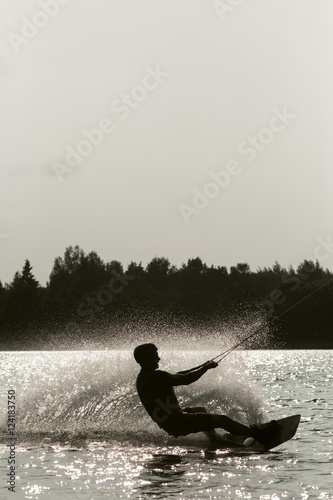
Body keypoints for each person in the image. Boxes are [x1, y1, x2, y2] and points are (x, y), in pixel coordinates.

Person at [134, 343, 276, 444]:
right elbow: (185, 379)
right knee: (222, 420)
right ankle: (259, 435)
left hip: (169, 422)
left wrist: (202, 366)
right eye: (155, 356)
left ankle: (215, 441)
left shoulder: (144, 377)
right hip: (178, 422)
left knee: (201, 410)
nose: (158, 359)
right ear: (146, 359)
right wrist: (206, 369)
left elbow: (178, 375)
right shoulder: (156, 376)